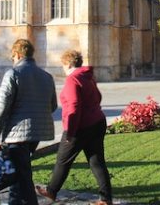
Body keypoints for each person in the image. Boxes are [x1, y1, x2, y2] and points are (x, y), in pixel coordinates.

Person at [36, 50, 112, 205]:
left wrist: (70, 132)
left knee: (63, 160)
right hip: (97, 122)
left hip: (80, 127)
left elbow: (73, 106)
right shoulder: (87, 76)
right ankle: (106, 199)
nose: (63, 69)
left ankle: (51, 192)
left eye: (63, 65)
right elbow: (98, 97)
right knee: (96, 161)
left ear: (68, 63)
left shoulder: (73, 79)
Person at [0, 39, 58, 205]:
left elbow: (1, 107)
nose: (13, 60)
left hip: (17, 133)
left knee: (22, 175)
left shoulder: (13, 74)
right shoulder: (47, 76)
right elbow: (53, 106)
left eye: (12, 57)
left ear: (17, 55)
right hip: (37, 133)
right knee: (18, 172)